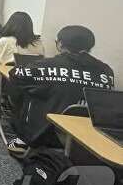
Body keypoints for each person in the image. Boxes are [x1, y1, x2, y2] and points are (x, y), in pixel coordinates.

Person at [6, 26, 114, 154]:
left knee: (28, 89)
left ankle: (22, 139)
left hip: (46, 134)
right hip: (87, 136)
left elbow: (15, 75)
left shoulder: (47, 65)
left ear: (61, 44)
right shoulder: (106, 71)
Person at [0, 12, 46, 92]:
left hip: (9, 81)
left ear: (10, 25)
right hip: (32, 81)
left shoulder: (6, 41)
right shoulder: (38, 43)